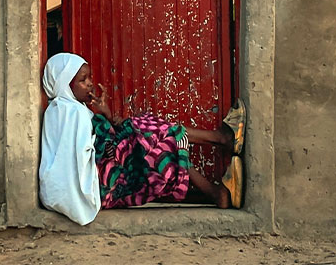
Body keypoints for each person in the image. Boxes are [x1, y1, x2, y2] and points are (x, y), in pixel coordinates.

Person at [39, 52, 245, 224]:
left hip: (103, 182)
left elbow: (95, 142)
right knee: (151, 136)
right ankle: (221, 141)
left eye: (89, 77)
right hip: (100, 187)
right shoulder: (67, 112)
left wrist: (107, 115)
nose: (90, 84)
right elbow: (78, 158)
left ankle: (217, 192)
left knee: (152, 138)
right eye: (83, 80)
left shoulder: (72, 109)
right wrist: (113, 142)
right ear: (64, 84)